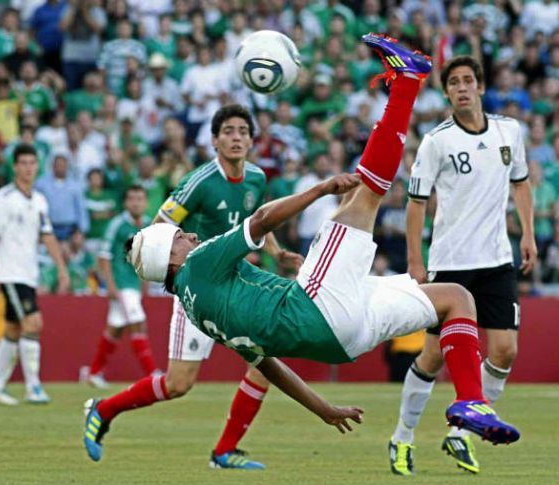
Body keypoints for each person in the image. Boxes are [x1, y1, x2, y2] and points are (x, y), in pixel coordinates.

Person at [83, 34, 520, 464]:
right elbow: (258, 222)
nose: (189, 235)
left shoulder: (198, 307)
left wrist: (323, 409)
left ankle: (471, 403)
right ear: (172, 257)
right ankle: (407, 81)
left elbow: (270, 366)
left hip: (346, 340)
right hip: (317, 305)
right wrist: (319, 189)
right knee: (364, 193)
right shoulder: (198, 264)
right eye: (180, 237)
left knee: (456, 299)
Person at [388, 55, 537, 476]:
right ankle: (402, 437)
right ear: (447, 92)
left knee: (505, 351)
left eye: (468, 80)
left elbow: (521, 183)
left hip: (496, 260)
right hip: (451, 264)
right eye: (454, 83)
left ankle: (462, 435)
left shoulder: (509, 131)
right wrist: (416, 260)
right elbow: (416, 203)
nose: (462, 88)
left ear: (481, 87)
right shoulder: (437, 141)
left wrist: (526, 233)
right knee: (433, 358)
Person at [149, 104, 304, 470]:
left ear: (252, 140)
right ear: (215, 140)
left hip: (236, 287)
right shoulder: (199, 181)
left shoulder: (256, 179)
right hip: (200, 290)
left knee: (264, 362)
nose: (236, 138)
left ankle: (223, 452)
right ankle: (104, 411)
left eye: (242, 132)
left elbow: (258, 223)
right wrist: (184, 264)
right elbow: (158, 226)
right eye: (228, 132)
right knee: (178, 384)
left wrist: (277, 253)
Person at [0, 144, 70, 405]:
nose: (28, 168)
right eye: (23, 163)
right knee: (33, 324)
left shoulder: (39, 200)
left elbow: (47, 235)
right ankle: (33, 386)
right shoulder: (4, 198)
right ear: (15, 166)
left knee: (13, 329)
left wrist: (62, 269)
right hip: (10, 274)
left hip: (29, 273)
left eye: (32, 163)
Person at [87, 185, 158, 387]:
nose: (136, 202)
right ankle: (151, 373)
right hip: (121, 284)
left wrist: (145, 283)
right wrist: (109, 285)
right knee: (138, 323)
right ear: (126, 203)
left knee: (115, 328)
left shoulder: (148, 224)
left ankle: (94, 372)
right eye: (132, 199)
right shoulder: (117, 224)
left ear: (145, 202)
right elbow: (104, 256)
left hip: (134, 284)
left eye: (140, 199)